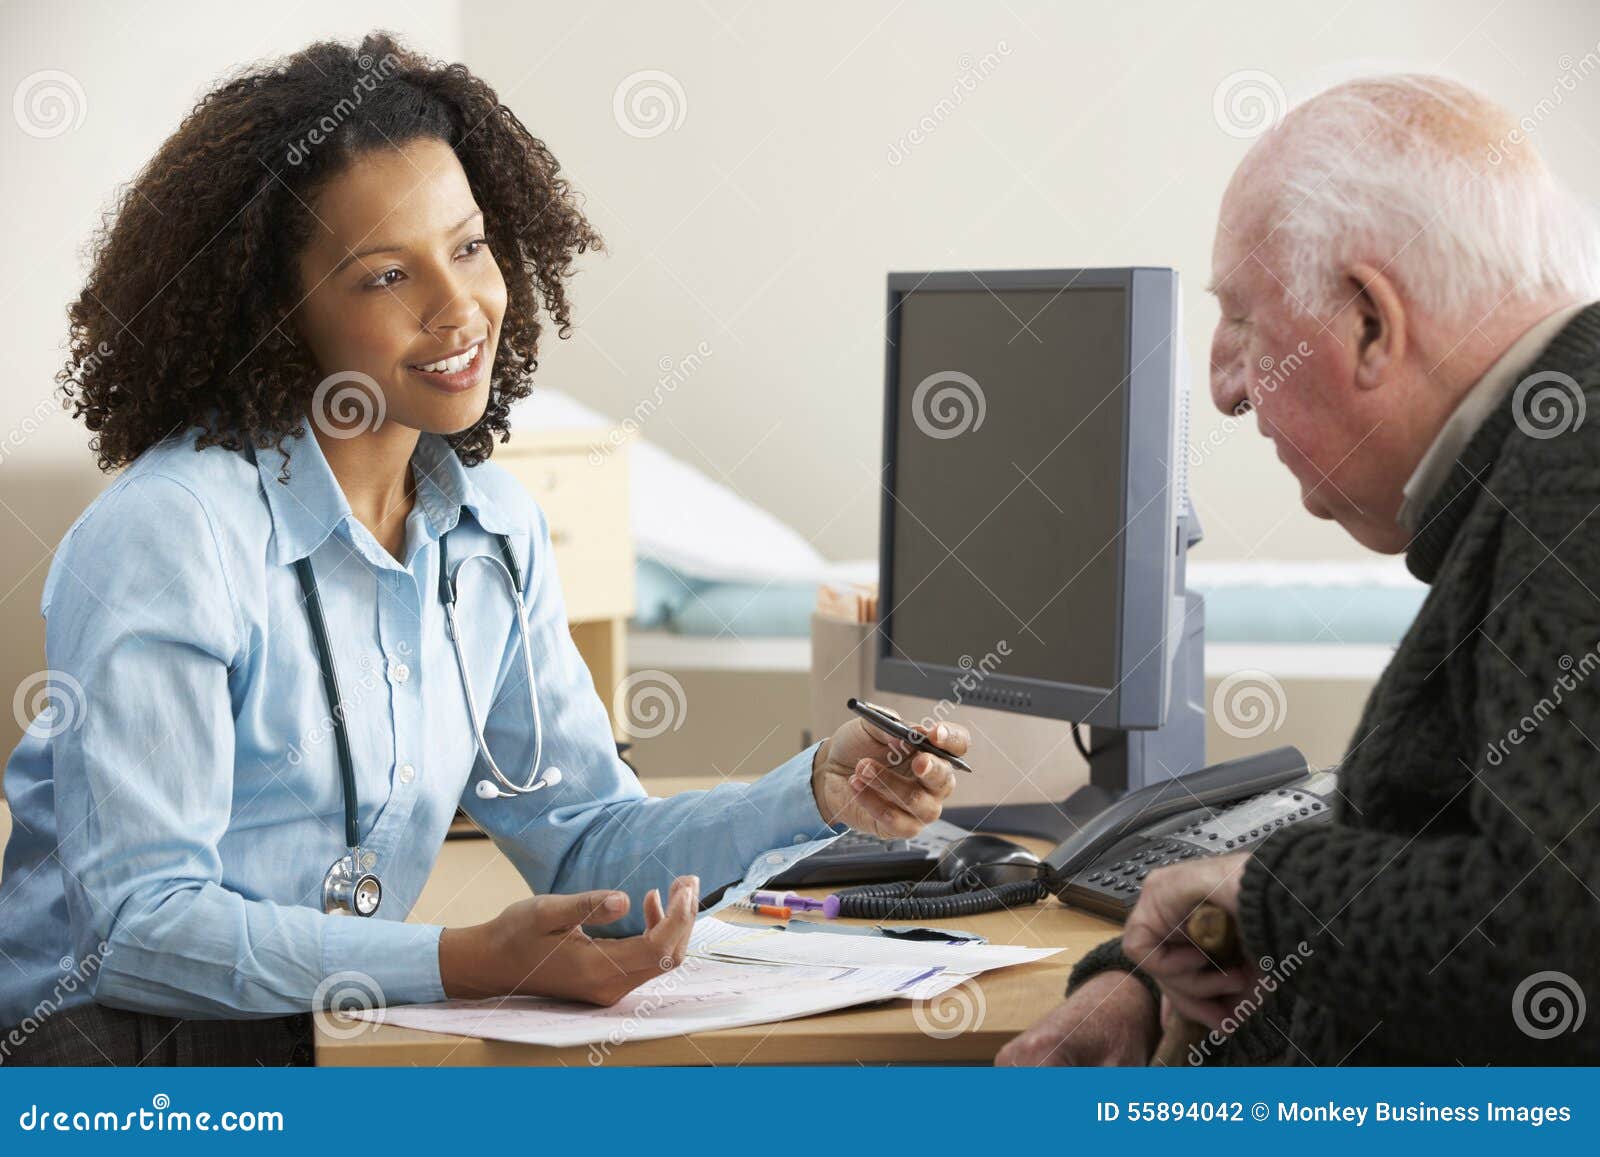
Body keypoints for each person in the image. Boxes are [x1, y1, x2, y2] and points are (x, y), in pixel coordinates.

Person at [0, 31, 967, 1066]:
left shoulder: (488, 531)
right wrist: (462, 959)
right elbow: (137, 930)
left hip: (327, 1035)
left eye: (467, 246)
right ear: (280, 317)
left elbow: (587, 840)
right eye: (382, 276)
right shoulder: (170, 534)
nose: (459, 308)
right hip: (113, 1057)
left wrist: (816, 787)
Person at [999, 74, 1600, 1066]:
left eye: (1243, 321)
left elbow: (1560, 940)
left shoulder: (1576, 472)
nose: (1225, 388)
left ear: (1370, 319)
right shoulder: (1540, 458)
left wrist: (1262, 895)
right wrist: (1150, 988)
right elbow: (1432, 887)